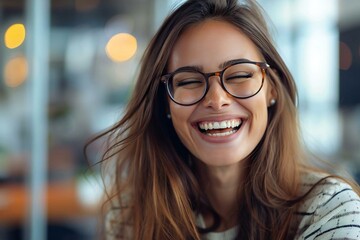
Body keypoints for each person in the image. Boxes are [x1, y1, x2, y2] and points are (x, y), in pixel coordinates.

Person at [85, 0, 360, 239]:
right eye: (190, 80)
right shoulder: (130, 217)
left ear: (271, 89)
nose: (216, 100)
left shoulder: (331, 210)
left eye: (240, 75)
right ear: (164, 102)